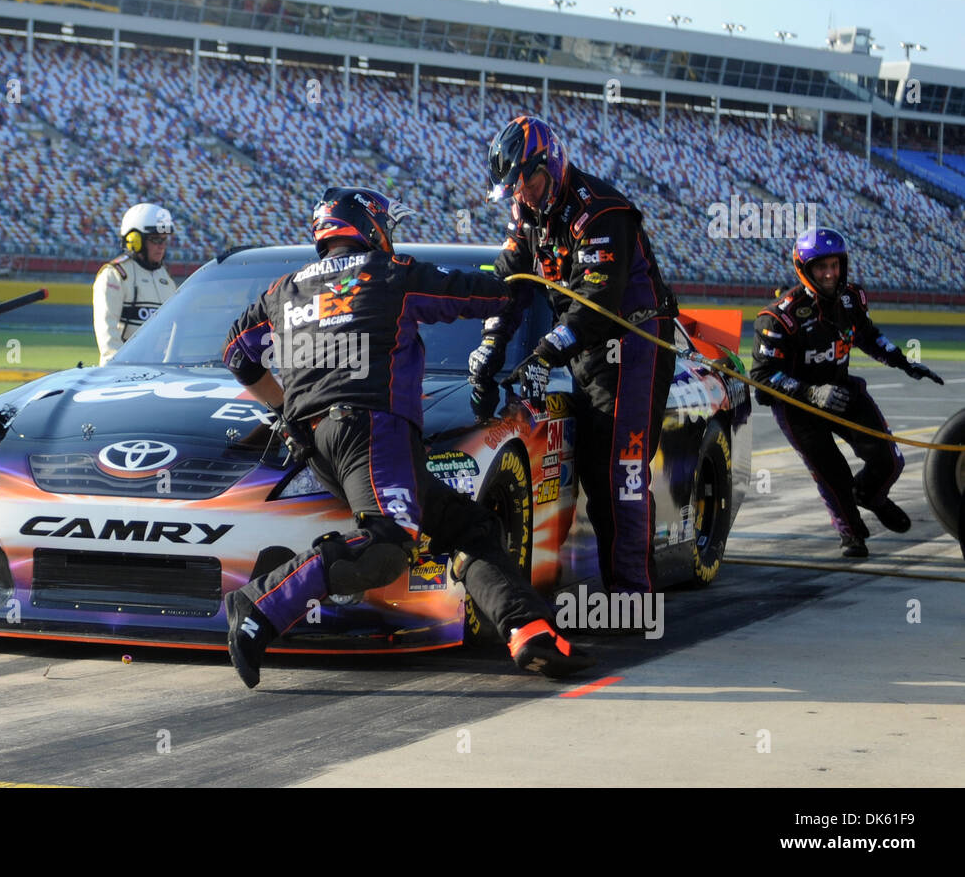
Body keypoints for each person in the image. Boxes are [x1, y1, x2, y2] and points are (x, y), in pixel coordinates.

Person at [219, 186, 594, 689]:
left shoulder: (282, 290)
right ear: (371, 227)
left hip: (323, 442)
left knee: (470, 528)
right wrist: (527, 275)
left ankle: (529, 632)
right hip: (374, 431)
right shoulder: (389, 273)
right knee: (386, 547)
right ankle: (260, 603)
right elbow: (482, 294)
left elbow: (237, 355)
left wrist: (286, 408)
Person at [468, 115, 679, 596]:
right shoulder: (525, 217)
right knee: (593, 468)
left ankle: (634, 598)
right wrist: (487, 347)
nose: (525, 196)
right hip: (586, 349)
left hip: (633, 341)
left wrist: (543, 353)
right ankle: (613, 586)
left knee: (621, 469)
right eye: (516, 189)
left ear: (553, 164)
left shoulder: (603, 213)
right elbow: (509, 285)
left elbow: (596, 306)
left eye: (531, 183)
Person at [750, 227, 943, 557]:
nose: (829, 274)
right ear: (804, 269)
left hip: (843, 391)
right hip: (798, 409)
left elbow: (868, 336)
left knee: (889, 459)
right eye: (821, 267)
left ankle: (869, 494)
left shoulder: (853, 298)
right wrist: (812, 393)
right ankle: (851, 534)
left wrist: (905, 363)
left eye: (835, 265)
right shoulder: (777, 318)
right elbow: (762, 381)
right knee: (833, 473)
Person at [93, 203, 178, 364]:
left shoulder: (166, 278)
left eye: (164, 240)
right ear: (134, 240)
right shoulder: (115, 275)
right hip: (124, 371)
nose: (161, 246)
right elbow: (107, 330)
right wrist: (116, 366)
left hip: (161, 370)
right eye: (155, 239)